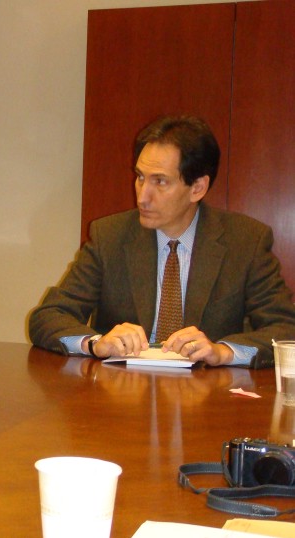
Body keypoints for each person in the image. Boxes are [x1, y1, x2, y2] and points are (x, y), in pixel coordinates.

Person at [28, 115, 295, 368]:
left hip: (207, 393)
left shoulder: (245, 242)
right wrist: (95, 343)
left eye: (160, 182)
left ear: (197, 188)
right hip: (122, 392)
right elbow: (48, 316)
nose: (142, 196)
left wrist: (223, 352)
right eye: (140, 177)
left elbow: (286, 329)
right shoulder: (110, 236)